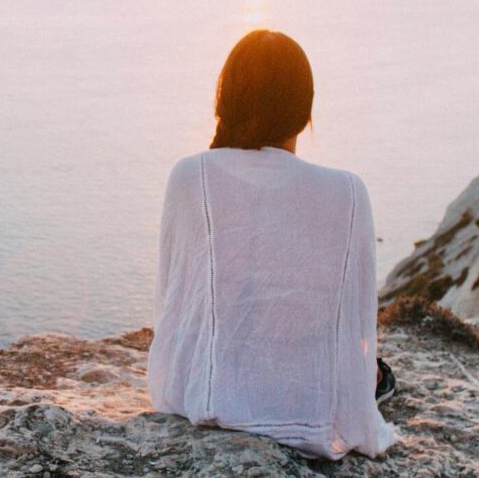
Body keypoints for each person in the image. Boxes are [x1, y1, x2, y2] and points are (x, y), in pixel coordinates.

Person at [147, 30, 398, 460]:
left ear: (225, 99)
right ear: (303, 111)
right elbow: (356, 320)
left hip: (206, 396)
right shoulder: (348, 191)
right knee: (374, 374)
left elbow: (173, 306)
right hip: (309, 402)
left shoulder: (189, 176)